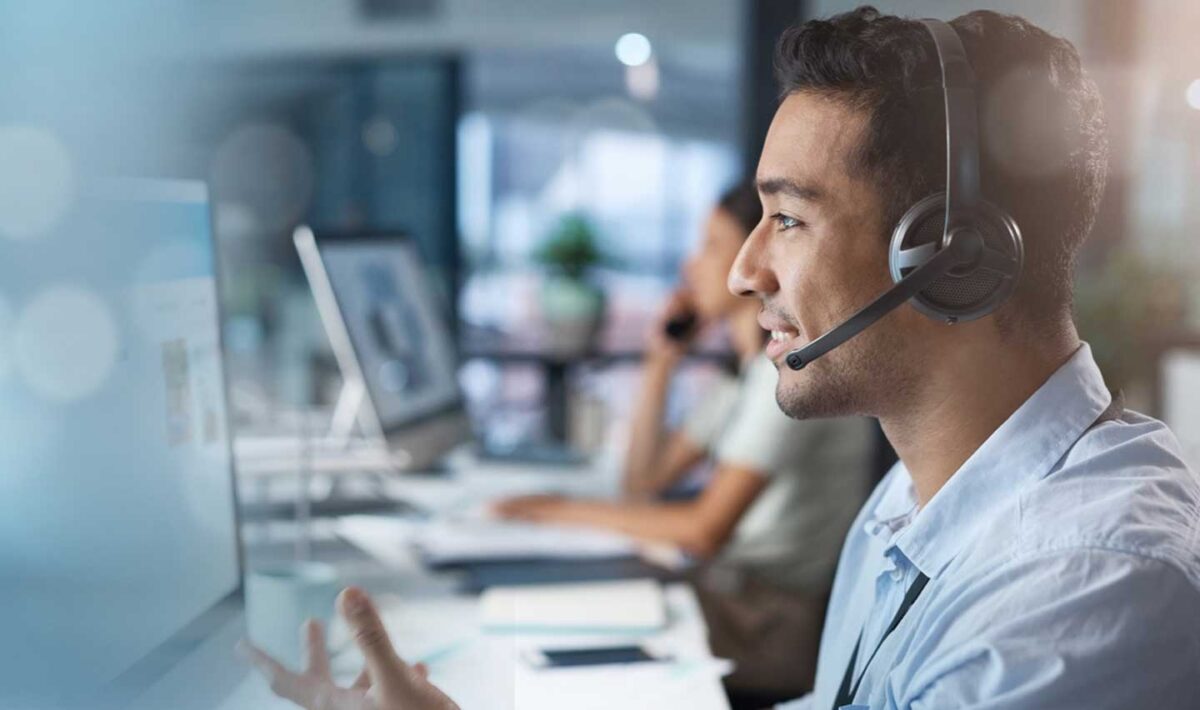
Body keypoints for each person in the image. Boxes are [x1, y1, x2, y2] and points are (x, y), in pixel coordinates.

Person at [245, 7, 1200, 709]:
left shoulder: (1085, 586)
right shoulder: (915, 506)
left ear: (951, 259)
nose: (743, 272)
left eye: (787, 219)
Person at [492, 182, 873, 702]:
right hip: (732, 600)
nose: (693, 267)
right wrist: (661, 362)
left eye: (712, 246)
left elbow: (702, 531)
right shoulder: (742, 377)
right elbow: (642, 482)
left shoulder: (786, 379)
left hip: (767, 624)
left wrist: (555, 510)